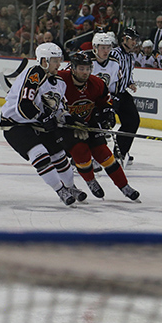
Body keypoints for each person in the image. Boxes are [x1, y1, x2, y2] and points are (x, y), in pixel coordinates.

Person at [0, 42, 87, 207]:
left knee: (59, 156)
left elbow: (59, 109)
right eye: (55, 60)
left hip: (38, 124)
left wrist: (69, 119)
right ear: (44, 60)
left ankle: (71, 187)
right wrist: (43, 117)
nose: (58, 64)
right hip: (15, 124)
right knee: (40, 155)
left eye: (59, 60)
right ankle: (60, 190)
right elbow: (24, 105)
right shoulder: (34, 73)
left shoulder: (59, 82)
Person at [58, 52, 140, 201]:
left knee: (104, 154)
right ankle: (91, 181)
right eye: (81, 69)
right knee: (81, 152)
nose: (85, 72)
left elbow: (105, 103)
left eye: (88, 68)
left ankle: (124, 186)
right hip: (67, 126)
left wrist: (106, 114)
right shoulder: (61, 80)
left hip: (89, 123)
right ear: (73, 69)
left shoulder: (97, 83)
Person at [110, 28, 142, 165]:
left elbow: (126, 73)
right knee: (105, 123)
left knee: (133, 121)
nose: (134, 42)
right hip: (111, 94)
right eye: (132, 39)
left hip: (123, 93)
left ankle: (120, 152)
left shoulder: (130, 55)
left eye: (135, 40)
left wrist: (130, 83)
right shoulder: (114, 54)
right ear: (124, 39)